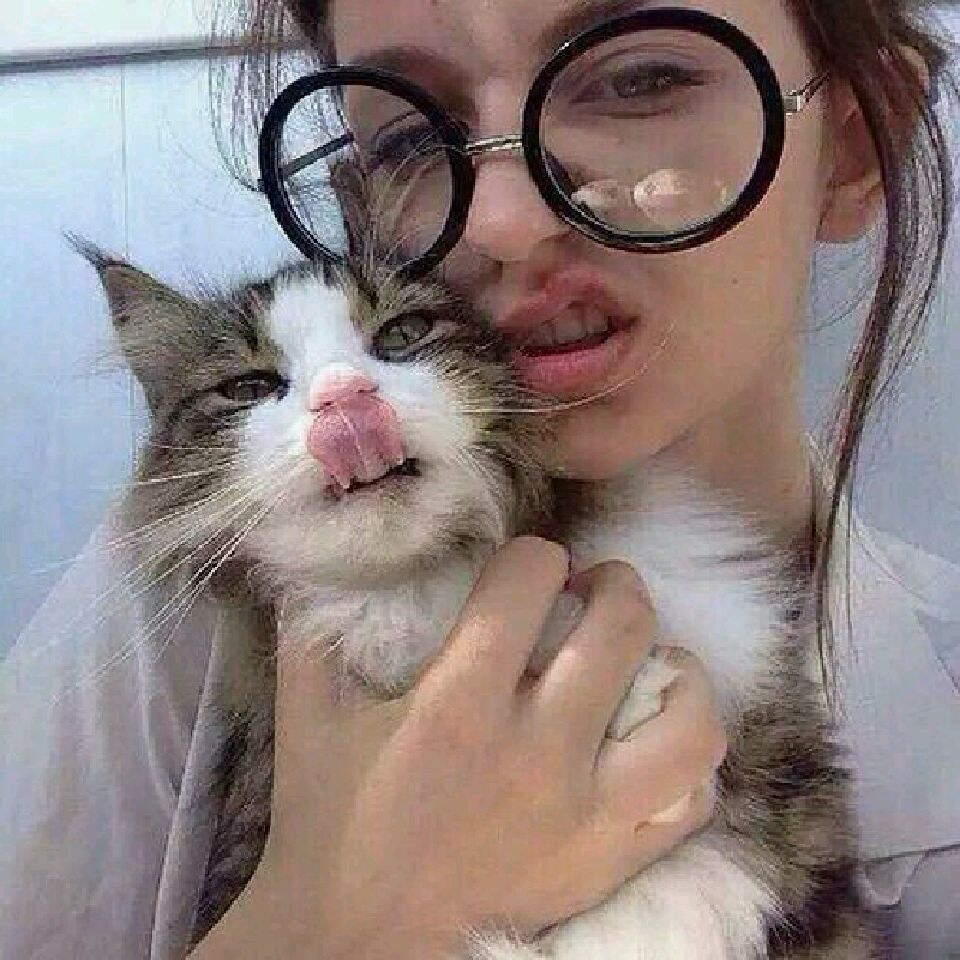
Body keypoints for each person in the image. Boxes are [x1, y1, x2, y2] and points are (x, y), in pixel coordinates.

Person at [1, 1, 958, 959]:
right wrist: (321, 926)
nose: (504, 222)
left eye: (637, 80)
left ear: (854, 145)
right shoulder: (168, 619)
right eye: (411, 138)